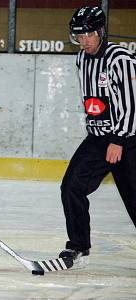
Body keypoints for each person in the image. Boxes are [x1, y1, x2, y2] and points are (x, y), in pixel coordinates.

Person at [59, 6, 136, 265]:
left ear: (101, 32)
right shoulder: (82, 58)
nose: (84, 41)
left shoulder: (121, 59)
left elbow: (132, 103)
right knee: (71, 187)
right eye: (79, 36)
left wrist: (119, 139)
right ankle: (78, 245)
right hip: (98, 139)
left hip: (127, 140)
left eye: (89, 35)